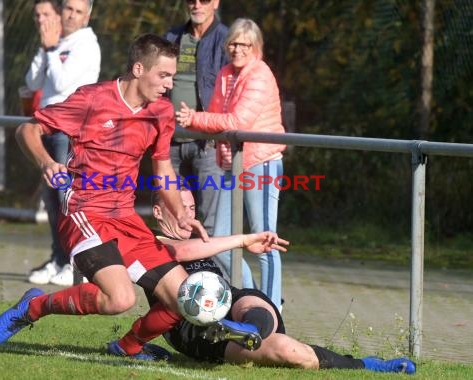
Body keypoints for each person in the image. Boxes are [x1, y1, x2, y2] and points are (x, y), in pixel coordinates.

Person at [0, 34, 208, 352]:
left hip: (125, 217)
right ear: (138, 69)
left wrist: (182, 213)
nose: (169, 84)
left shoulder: (161, 113)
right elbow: (28, 128)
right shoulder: (93, 99)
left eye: (172, 76)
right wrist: (47, 163)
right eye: (163, 75)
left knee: (185, 299)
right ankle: (33, 307)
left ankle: (128, 347)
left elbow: (163, 171)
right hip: (85, 210)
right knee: (120, 298)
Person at [109, 189, 417, 375]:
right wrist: (243, 239)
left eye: (191, 207)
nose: (189, 214)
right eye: (180, 207)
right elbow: (184, 251)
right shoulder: (150, 241)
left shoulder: (201, 239)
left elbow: (199, 248)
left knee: (252, 301)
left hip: (230, 302)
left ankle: (248, 331)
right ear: (160, 211)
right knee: (294, 354)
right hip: (194, 328)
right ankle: (368, 364)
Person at [177, 18, 286, 310]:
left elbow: (238, 123)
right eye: (233, 43)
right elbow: (216, 116)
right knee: (220, 238)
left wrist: (194, 119)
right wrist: (201, 121)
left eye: (244, 44)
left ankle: (274, 308)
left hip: (260, 163)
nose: (237, 49)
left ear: (256, 48)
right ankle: (252, 297)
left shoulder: (260, 75)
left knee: (264, 239)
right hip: (231, 165)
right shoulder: (226, 73)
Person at [164, 0, 254, 282]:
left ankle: (229, 291)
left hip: (209, 145)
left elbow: (237, 89)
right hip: (171, 143)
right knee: (172, 220)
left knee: (213, 226)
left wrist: (212, 125)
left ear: (215, 2)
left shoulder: (227, 40)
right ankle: (177, 290)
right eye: (191, 0)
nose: (196, 4)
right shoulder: (172, 37)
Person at [25, 0, 101, 287]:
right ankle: (57, 259)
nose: (70, 15)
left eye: (77, 11)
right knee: (51, 203)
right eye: (67, 8)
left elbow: (59, 83)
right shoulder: (57, 43)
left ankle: (74, 264)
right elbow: (33, 83)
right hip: (45, 128)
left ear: (87, 16)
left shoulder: (86, 44)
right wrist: (45, 48)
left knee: (65, 199)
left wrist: (51, 49)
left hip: (67, 133)